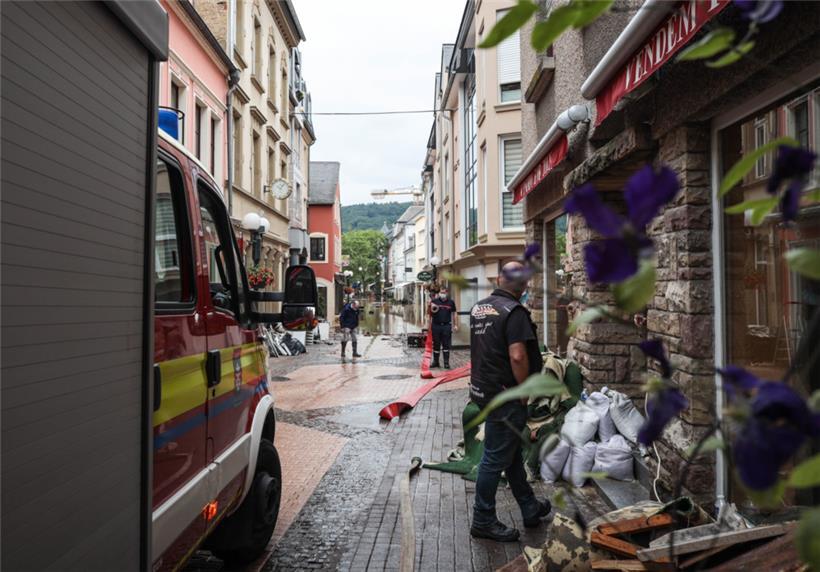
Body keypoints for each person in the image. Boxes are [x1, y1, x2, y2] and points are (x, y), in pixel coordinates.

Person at [469, 261, 551, 542]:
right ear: (525, 285)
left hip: (483, 391)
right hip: (506, 395)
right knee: (494, 458)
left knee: (511, 454)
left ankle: (529, 507)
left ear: (499, 278)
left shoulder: (480, 308)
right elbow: (517, 355)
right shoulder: (514, 312)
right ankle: (483, 519)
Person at [428, 287, 458, 369]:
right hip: (436, 325)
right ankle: (436, 362)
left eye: (444, 292)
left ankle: (446, 363)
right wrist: (428, 325)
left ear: (447, 292)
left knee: (446, 345)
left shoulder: (451, 302)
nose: (442, 294)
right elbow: (429, 314)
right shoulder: (434, 301)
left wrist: (455, 324)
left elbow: (454, 314)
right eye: (441, 292)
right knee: (436, 344)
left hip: (446, 326)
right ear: (439, 293)